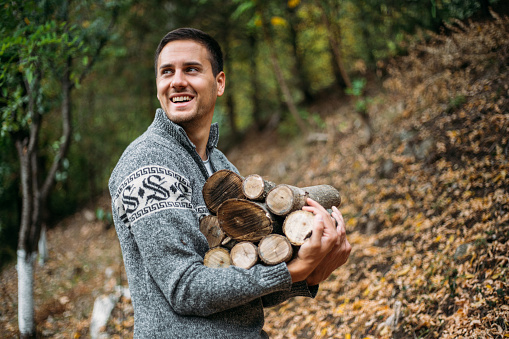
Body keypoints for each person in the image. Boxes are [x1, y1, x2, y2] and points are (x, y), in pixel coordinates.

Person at [109, 27, 351, 338]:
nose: (177, 81)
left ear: (219, 82)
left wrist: (312, 273)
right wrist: (293, 271)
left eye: (191, 69)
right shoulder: (147, 165)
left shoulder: (220, 166)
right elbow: (185, 287)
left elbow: (244, 288)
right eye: (166, 72)